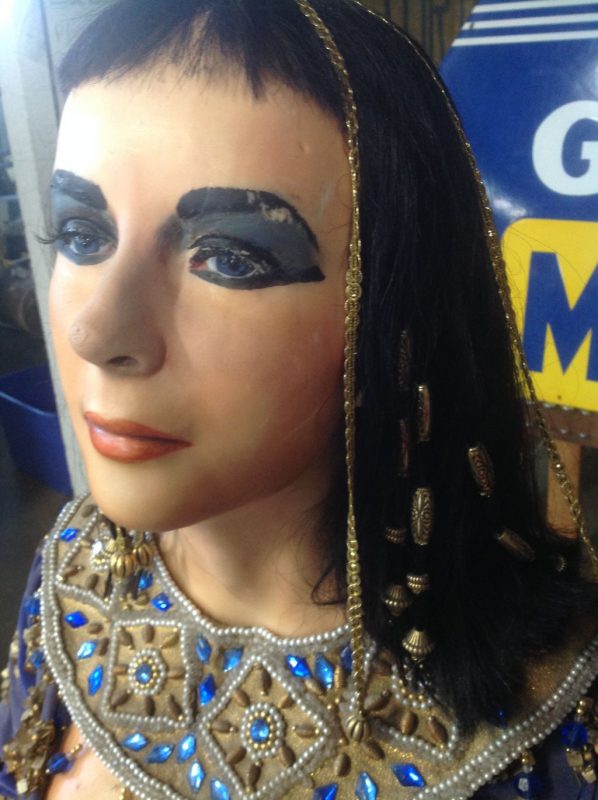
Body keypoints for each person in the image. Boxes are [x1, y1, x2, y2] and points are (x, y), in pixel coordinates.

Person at [1, 1, 598, 798]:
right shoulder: (72, 566)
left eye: (230, 258)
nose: (95, 330)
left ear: (394, 315)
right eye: (83, 235)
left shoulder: (561, 710)